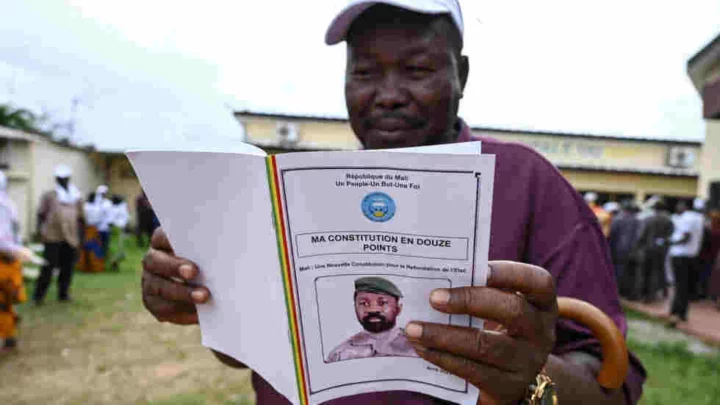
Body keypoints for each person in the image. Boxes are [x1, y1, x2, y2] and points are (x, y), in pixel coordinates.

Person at [140, 1, 646, 403]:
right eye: (364, 72)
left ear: (461, 76)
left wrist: (530, 381)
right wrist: (199, 297)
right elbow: (258, 356)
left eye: (417, 68)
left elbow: (606, 381)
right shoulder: (297, 196)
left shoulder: (526, 183)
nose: (388, 95)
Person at [327, 277, 417, 362]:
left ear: (398, 309)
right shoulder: (340, 354)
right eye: (364, 303)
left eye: (382, 303)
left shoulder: (417, 348)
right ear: (355, 307)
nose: (373, 310)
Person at [34, 164, 84, 304]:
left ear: (69, 179)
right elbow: (41, 214)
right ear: (56, 179)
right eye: (60, 179)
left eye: (65, 178)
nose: (62, 181)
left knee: (67, 267)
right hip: (53, 236)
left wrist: (81, 237)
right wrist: (40, 231)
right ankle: (39, 295)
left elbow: (80, 218)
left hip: (71, 237)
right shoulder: (50, 195)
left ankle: (63, 293)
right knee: (48, 267)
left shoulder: (76, 196)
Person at [0, 171, 36, 351]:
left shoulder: (4, 207)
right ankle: (9, 335)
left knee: (3, 301)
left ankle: (8, 337)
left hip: (4, 259)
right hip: (10, 259)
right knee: (6, 299)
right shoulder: (9, 205)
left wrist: (17, 251)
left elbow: (3, 240)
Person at [668, 200, 705, 324]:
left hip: (680, 255)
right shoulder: (700, 218)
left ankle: (676, 313)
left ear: (685, 206)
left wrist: (669, 242)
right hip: (692, 255)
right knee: (685, 286)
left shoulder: (687, 218)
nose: (677, 206)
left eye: (679, 204)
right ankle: (681, 313)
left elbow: (685, 236)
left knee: (679, 286)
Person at [634, 201, 674, 302]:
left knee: (644, 273)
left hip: (647, 249)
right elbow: (670, 236)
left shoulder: (648, 219)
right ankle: (653, 295)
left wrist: (637, 247)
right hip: (661, 251)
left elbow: (642, 235)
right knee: (657, 272)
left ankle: (643, 295)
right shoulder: (669, 220)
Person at [608, 201, 641, 296]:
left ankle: (617, 292)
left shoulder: (618, 220)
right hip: (634, 252)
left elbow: (612, 235)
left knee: (618, 272)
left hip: (619, 251)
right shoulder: (639, 221)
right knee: (631, 274)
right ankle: (629, 293)